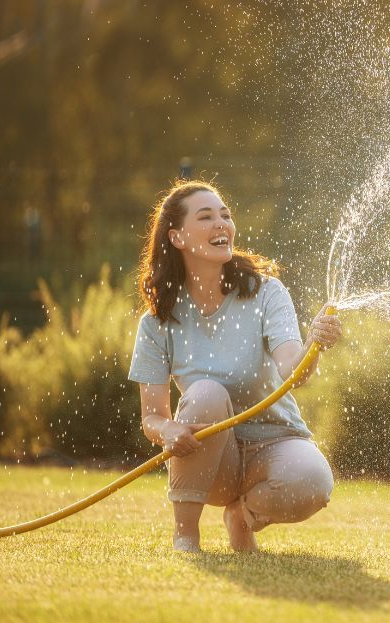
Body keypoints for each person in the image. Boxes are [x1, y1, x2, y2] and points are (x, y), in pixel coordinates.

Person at [129, 180, 342, 553]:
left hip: (275, 441)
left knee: (314, 482)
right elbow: (152, 418)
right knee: (206, 393)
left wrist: (314, 345)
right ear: (177, 237)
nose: (222, 225)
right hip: (211, 463)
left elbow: (294, 370)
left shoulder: (266, 292)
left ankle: (241, 518)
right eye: (207, 216)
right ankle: (186, 536)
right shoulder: (157, 322)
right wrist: (169, 431)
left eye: (225, 216)